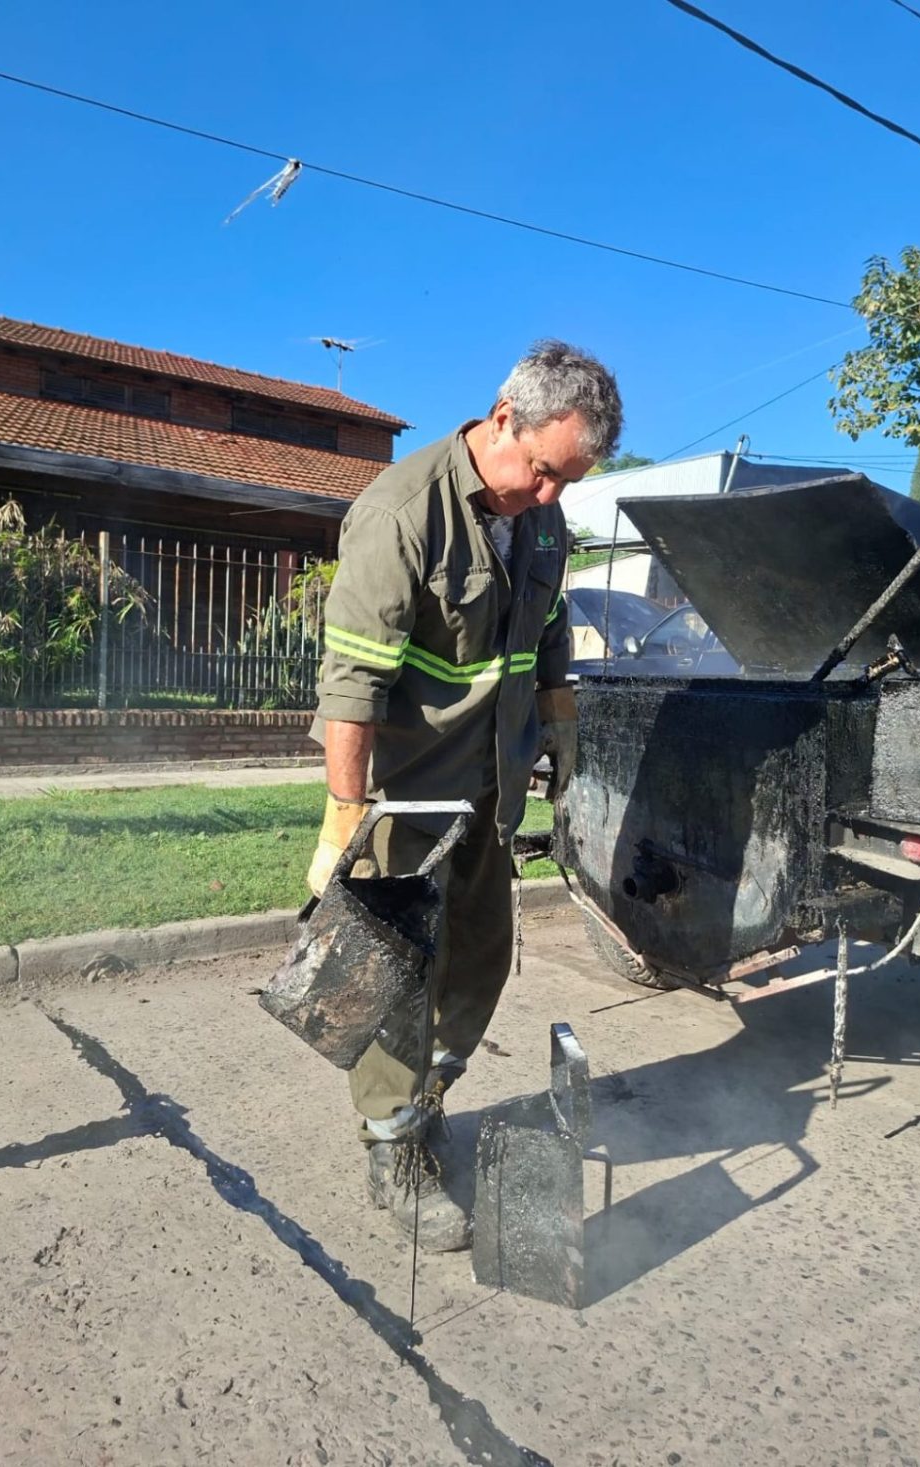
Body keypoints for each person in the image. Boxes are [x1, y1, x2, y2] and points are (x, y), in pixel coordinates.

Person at [307, 339, 623, 1251]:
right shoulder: (402, 514)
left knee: (477, 961)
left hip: (492, 789)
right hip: (406, 797)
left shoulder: (545, 524)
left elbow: (550, 630)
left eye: (568, 478)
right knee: (392, 975)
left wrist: (559, 734)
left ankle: (430, 1097)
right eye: (542, 469)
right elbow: (353, 689)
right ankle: (391, 1144)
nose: (551, 494)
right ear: (500, 420)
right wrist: (343, 819)